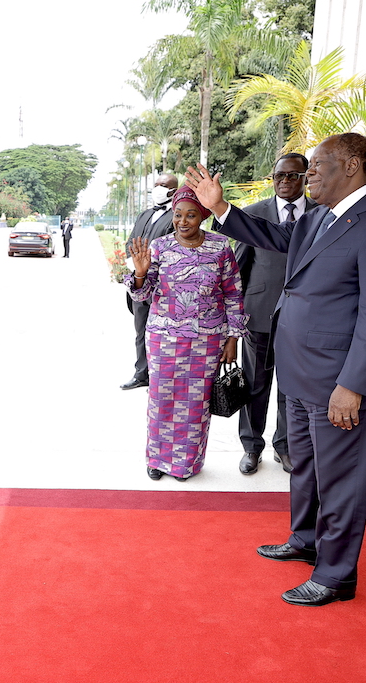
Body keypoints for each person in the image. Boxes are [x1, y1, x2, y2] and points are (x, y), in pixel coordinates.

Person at [185, 132, 366, 606]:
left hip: (340, 381)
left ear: (352, 165)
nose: (306, 173)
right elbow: (274, 237)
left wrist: (353, 385)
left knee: (341, 478)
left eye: (316, 164)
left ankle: (336, 575)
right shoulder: (318, 218)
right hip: (298, 371)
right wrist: (222, 210)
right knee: (307, 468)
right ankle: (306, 539)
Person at [125, 186, 247, 481]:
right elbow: (142, 294)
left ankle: (186, 464)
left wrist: (233, 339)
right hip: (163, 339)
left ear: (202, 216)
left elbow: (234, 294)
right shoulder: (160, 247)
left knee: (195, 402)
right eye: (178, 215)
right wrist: (140, 273)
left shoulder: (220, 247)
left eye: (190, 215)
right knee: (161, 398)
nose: (182, 221)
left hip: (207, 341)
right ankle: (157, 459)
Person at [236, 154, 316, 475]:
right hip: (259, 316)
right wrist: (235, 318)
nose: (284, 181)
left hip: (304, 321)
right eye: (278, 176)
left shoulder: (321, 216)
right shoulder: (253, 215)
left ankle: (285, 446)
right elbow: (239, 269)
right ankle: (251, 446)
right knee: (255, 385)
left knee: (291, 387)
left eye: (292, 176)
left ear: (306, 177)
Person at [121, 172, 180, 390]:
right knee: (140, 330)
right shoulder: (145, 214)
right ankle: (141, 374)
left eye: (163, 185)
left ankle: (161, 376)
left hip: (162, 287)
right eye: (156, 184)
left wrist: (150, 268)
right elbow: (131, 242)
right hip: (138, 283)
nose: (158, 188)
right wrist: (134, 267)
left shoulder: (177, 216)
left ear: (173, 190)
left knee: (163, 334)